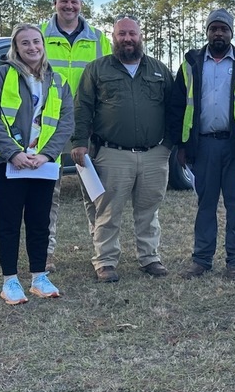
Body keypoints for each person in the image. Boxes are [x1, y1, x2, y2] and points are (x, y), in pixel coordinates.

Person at [71, 16, 174, 282]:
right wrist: (80, 142)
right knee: (108, 210)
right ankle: (105, 261)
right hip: (112, 153)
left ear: (141, 37)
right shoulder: (97, 69)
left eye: (132, 34)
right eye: (122, 34)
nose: (127, 39)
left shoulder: (159, 70)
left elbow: (174, 109)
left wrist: (169, 145)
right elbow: (82, 106)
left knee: (149, 209)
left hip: (154, 154)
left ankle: (150, 257)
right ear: (113, 37)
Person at [0, 23, 74, 305]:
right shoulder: (1, 75)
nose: (32, 47)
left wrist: (46, 155)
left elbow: (66, 122)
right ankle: (10, 280)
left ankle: (39, 277)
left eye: (36, 42)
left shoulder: (57, 81)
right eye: (25, 43)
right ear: (16, 48)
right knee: (9, 221)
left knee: (40, 221)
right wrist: (13, 153)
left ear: (43, 45)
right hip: (8, 162)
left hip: (43, 163)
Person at [169, 9, 235, 279]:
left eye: (224, 29)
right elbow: (178, 105)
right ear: (207, 32)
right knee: (205, 204)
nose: (218, 33)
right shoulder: (190, 64)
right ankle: (201, 260)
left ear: (232, 33)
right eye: (214, 29)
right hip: (203, 146)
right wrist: (181, 145)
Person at [40, 0, 112, 271]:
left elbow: (109, 80)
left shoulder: (99, 39)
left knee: (96, 194)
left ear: (82, 5)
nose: (69, 6)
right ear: (55, 4)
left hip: (87, 126)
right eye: (63, 2)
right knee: (46, 195)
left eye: (74, 2)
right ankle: (43, 253)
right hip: (47, 127)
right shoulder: (39, 36)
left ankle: (103, 253)